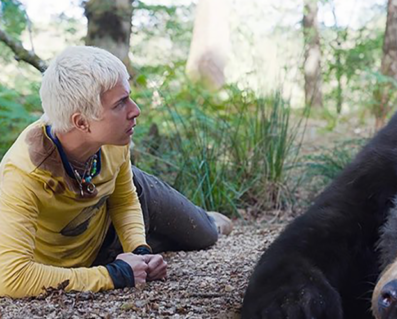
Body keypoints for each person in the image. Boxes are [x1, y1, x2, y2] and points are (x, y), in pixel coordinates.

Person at [0, 46, 233, 298]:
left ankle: (208, 221)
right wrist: (116, 274)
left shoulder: (114, 139)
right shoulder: (22, 174)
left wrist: (139, 251)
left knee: (205, 236)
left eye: (128, 97)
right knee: (168, 243)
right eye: (120, 104)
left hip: (113, 219)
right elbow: (11, 277)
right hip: (84, 255)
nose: (135, 111)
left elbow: (124, 199)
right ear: (81, 122)